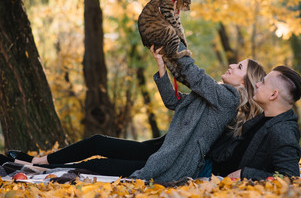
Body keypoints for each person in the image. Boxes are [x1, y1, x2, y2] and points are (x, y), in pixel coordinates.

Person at [1, 43, 266, 182]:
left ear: (246, 82)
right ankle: (38, 161)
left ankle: (34, 167)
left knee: (95, 166)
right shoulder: (216, 94)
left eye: (239, 67)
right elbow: (174, 101)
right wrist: (161, 64)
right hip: (163, 148)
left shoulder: (229, 99)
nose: (232, 65)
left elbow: (196, 77)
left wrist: (177, 45)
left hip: (173, 162)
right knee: (97, 142)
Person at [208, 65, 301, 180]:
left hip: (214, 177)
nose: (257, 84)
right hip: (211, 164)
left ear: (273, 95)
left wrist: (245, 174)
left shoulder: (283, 131)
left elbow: (291, 177)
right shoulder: (266, 118)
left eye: (263, 82)